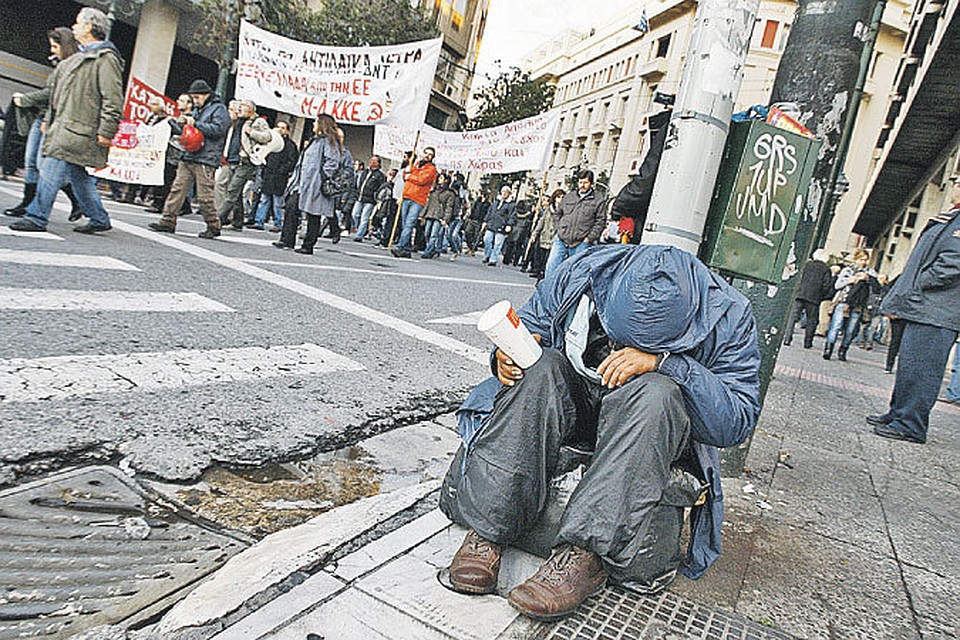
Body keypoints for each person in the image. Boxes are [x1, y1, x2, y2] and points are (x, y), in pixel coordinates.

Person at [439, 244, 761, 621]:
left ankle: (583, 557)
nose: (623, 349)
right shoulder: (584, 271)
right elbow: (532, 326)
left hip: (645, 426)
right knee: (541, 368)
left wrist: (668, 364)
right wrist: (503, 358)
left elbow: (736, 420)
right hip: (578, 400)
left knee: (657, 393)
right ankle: (489, 530)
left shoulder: (731, 316)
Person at [10, 8, 122, 234]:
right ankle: (99, 218)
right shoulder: (79, 58)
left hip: (77, 129)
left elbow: (112, 98)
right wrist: (49, 120)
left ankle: (37, 216)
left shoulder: (105, 59)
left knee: (50, 169)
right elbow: (57, 95)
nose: (74, 27)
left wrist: (107, 131)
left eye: (78, 23)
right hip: (65, 126)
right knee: (78, 175)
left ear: (90, 27)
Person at [867, 175, 960, 444]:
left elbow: (953, 262)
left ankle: (911, 425)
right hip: (927, 307)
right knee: (910, 366)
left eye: (956, 180)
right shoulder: (953, 218)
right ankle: (898, 414)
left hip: (936, 309)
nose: (954, 184)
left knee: (922, 370)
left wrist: (921, 283)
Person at [4, 27, 82, 221]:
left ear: (66, 46)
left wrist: (25, 99)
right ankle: (28, 202)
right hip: (43, 117)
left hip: (53, 120)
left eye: (55, 46)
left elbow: (53, 95)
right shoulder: (61, 65)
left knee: (43, 165)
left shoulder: (72, 67)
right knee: (31, 163)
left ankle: (73, 200)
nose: (52, 50)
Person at [147, 78, 230, 238]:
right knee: (177, 189)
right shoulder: (199, 109)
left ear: (206, 95)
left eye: (197, 97)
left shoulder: (219, 109)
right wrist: (176, 124)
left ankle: (213, 225)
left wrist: (195, 123)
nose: (195, 101)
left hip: (206, 157)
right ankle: (167, 220)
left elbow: (219, 130)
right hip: (189, 154)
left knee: (204, 194)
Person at [218, 101, 272, 231]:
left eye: (243, 106)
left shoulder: (258, 122)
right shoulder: (236, 121)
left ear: (251, 110)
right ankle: (237, 221)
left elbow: (267, 136)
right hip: (232, 159)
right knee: (235, 192)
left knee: (232, 190)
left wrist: (252, 132)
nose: (240, 108)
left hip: (245, 161)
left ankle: (217, 219)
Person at [543, 170, 607, 278]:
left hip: (581, 242)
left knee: (575, 271)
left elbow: (600, 221)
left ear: (591, 184)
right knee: (551, 266)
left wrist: (589, 238)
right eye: (580, 182)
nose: (582, 185)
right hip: (561, 239)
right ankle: (547, 290)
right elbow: (557, 214)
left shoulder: (598, 199)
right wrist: (559, 229)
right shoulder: (569, 196)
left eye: (585, 183)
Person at [292, 114, 342, 255]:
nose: (313, 124)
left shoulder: (328, 141)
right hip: (309, 181)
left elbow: (332, 162)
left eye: (316, 122)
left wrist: (322, 176)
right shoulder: (317, 140)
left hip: (317, 182)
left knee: (314, 214)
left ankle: (308, 244)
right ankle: (309, 241)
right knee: (311, 213)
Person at [146, 93, 193, 216]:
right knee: (171, 180)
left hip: (180, 153)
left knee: (172, 180)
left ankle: (164, 204)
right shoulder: (178, 117)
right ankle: (179, 205)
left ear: (189, 104)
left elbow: (183, 133)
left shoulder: (192, 118)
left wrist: (172, 123)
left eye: (182, 100)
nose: (178, 102)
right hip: (171, 152)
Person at [823, 249, 875, 361]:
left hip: (859, 305)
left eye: (866, 260)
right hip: (843, 301)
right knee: (836, 326)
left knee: (851, 330)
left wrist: (867, 279)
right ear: (855, 259)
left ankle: (843, 350)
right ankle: (828, 349)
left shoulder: (870, 273)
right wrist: (851, 280)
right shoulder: (848, 270)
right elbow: (837, 285)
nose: (863, 262)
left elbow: (876, 288)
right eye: (861, 259)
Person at [391, 146, 438, 258]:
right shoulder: (416, 164)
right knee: (404, 224)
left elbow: (421, 180)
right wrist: (408, 171)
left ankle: (401, 247)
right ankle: (406, 249)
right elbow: (405, 176)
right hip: (407, 195)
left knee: (409, 224)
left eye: (430, 154)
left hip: (417, 199)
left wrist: (409, 176)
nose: (427, 155)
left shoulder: (431, 169)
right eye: (426, 153)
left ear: (432, 157)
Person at [783, 249, 834, 348]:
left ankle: (787, 338)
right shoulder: (825, 269)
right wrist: (821, 295)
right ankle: (808, 342)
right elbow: (827, 285)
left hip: (800, 293)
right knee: (812, 320)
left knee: (792, 317)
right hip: (814, 297)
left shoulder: (806, 265)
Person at [254, 120, 297, 231]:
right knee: (264, 199)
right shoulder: (270, 142)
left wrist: (282, 171)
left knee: (277, 202)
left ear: (287, 130)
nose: (280, 129)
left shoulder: (290, 145)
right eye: (278, 127)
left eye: (283, 128)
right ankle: (259, 221)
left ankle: (277, 223)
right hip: (269, 174)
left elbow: (291, 161)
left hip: (279, 177)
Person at [420, 173, 457, 259]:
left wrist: (446, 219)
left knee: (434, 234)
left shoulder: (449, 193)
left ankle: (427, 252)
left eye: (441, 178)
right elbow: (428, 203)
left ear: (446, 180)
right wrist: (422, 214)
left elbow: (449, 207)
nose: (439, 179)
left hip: (439, 216)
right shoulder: (434, 190)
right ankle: (432, 249)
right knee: (427, 233)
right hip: (430, 213)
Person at [352, 155, 386, 241]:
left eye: (374, 161)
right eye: (371, 160)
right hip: (360, 197)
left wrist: (377, 197)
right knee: (355, 214)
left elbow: (381, 187)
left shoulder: (379, 175)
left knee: (365, 217)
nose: (371, 162)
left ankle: (359, 235)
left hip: (370, 200)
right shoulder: (365, 172)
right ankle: (363, 229)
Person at [482, 185, 516, 267]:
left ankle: (493, 259)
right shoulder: (496, 201)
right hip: (492, 224)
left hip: (502, 226)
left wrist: (509, 224)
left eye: (506, 192)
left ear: (509, 193)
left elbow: (512, 215)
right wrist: (485, 221)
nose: (504, 193)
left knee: (498, 244)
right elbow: (490, 211)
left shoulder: (511, 204)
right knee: (487, 239)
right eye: (503, 191)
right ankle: (487, 255)